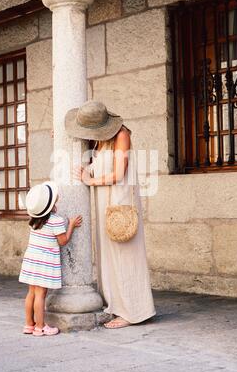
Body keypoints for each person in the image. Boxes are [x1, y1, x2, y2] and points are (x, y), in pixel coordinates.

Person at [65, 100, 156, 329]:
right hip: (104, 202)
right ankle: (115, 305)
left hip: (119, 202)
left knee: (125, 255)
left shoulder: (121, 135)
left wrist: (90, 180)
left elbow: (118, 173)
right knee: (108, 257)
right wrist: (88, 169)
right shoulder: (98, 141)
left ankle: (133, 311)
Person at [19, 181, 82, 336]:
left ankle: (29, 325)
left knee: (31, 293)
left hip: (32, 258)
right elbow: (63, 241)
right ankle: (40, 327)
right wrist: (71, 225)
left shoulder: (33, 220)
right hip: (44, 261)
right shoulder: (56, 220)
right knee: (41, 295)